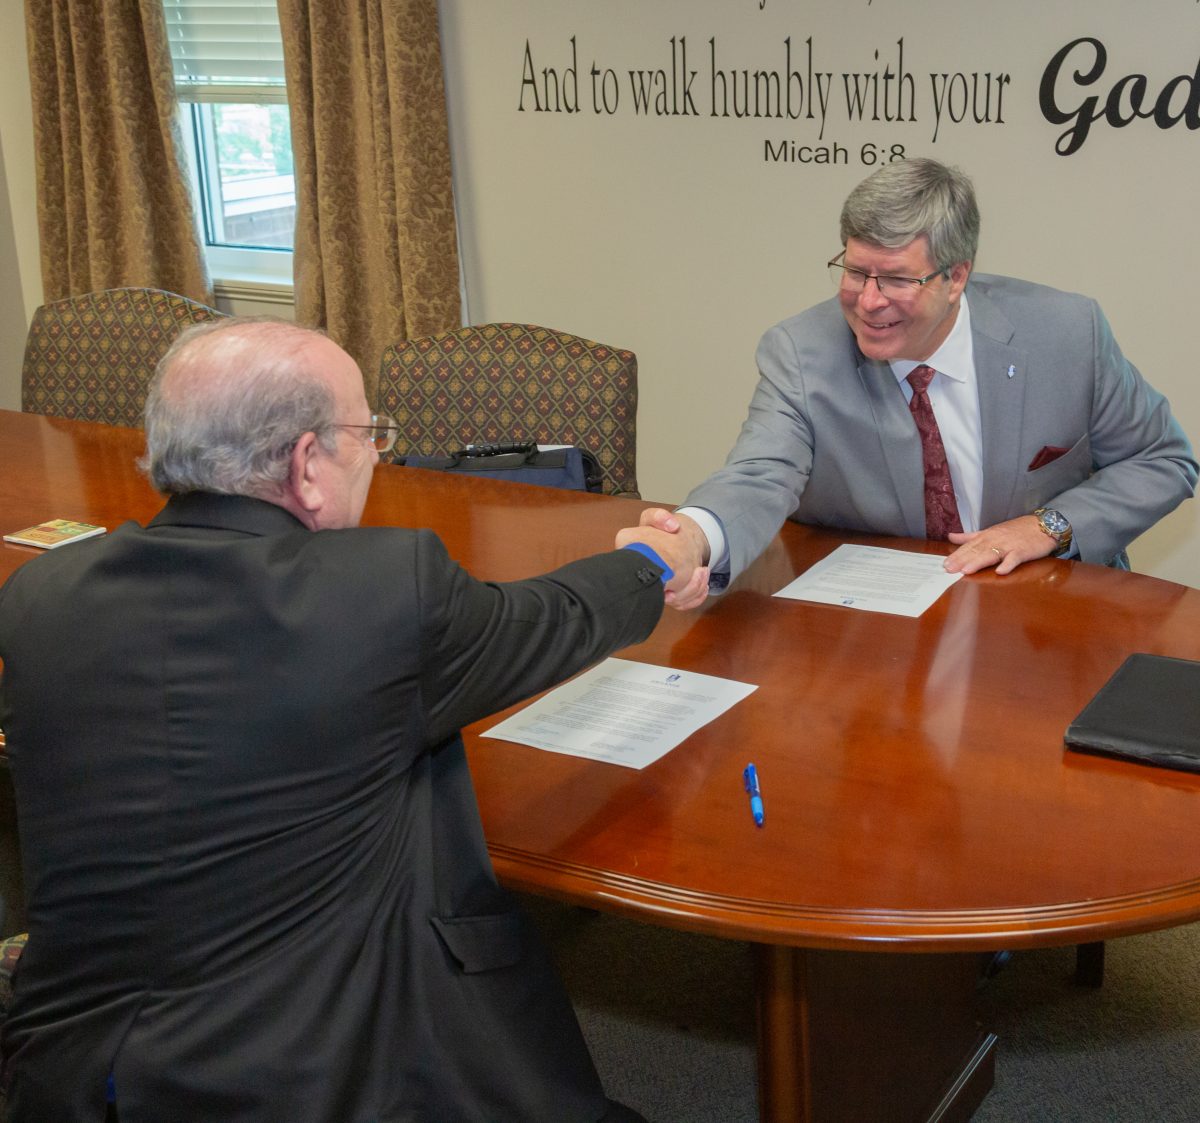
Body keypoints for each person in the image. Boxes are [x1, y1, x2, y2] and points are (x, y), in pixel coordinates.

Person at [0, 318, 688, 1122]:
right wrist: (651, 562)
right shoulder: (383, 594)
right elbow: (553, 618)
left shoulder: (42, 596)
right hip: (315, 1079)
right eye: (367, 432)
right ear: (306, 464)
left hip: (72, 1077)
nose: (378, 452)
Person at [637, 158, 1197, 610]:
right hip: (874, 631)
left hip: (1048, 617)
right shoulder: (802, 353)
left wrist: (1049, 525)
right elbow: (759, 474)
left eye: (898, 279)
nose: (869, 300)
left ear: (956, 277)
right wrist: (692, 537)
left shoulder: (1067, 334)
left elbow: (1163, 461)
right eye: (856, 271)